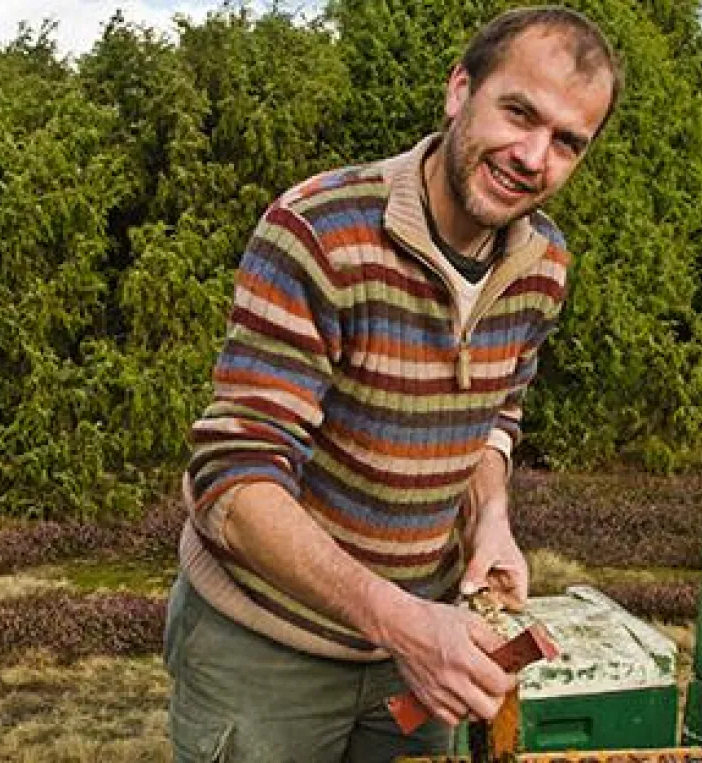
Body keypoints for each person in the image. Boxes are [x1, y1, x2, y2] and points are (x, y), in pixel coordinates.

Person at [164, 6, 622, 761]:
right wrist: (403, 623)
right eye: (518, 113)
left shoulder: (542, 264)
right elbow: (234, 482)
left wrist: (489, 520)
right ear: (459, 90)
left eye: (567, 141)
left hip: (417, 652)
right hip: (267, 649)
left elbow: (494, 413)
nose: (533, 156)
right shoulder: (320, 230)